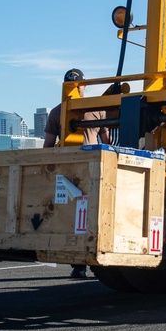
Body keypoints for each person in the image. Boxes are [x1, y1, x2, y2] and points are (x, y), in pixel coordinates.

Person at [43, 68, 110, 279]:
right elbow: (106, 141)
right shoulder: (97, 109)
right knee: (92, 214)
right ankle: (89, 260)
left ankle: (79, 264)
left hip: (67, 170)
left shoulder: (57, 111)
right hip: (92, 167)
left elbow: (48, 146)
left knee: (74, 217)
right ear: (85, 85)